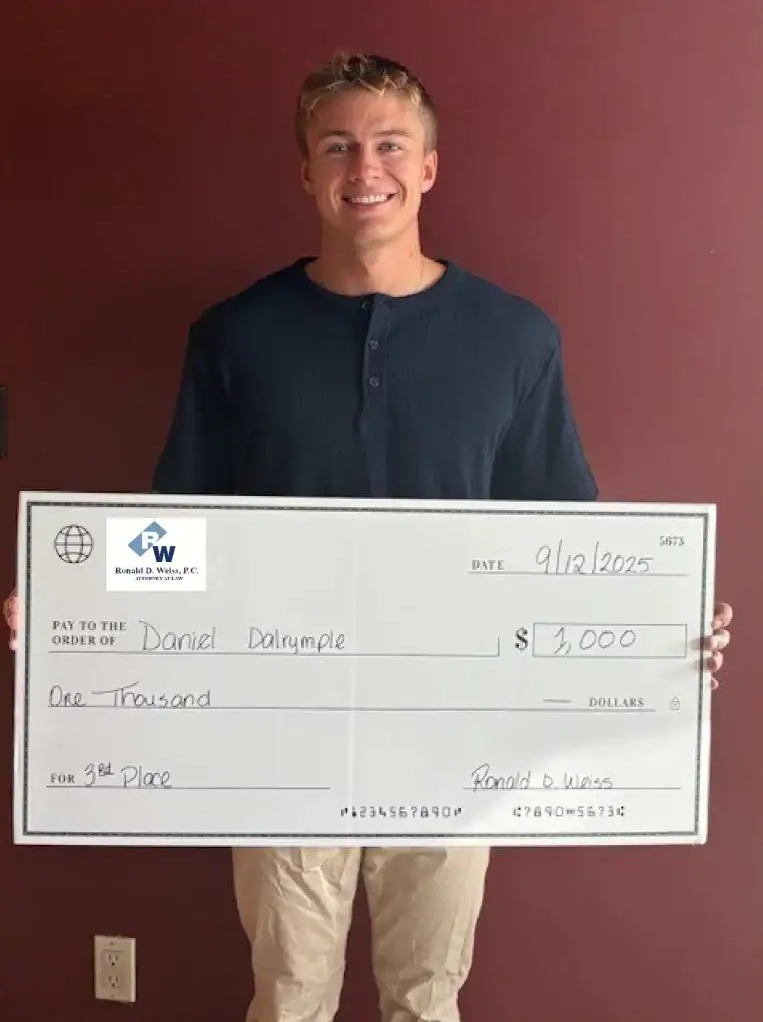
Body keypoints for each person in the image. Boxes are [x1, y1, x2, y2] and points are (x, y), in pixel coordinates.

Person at [4, 52, 733, 1022]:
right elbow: (178, 531)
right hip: (277, 732)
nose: (365, 169)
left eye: (389, 145)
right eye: (337, 146)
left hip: (452, 734)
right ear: (305, 170)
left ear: (428, 167)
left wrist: (660, 639)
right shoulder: (236, 336)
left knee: (426, 998)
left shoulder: (516, 340)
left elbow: (565, 548)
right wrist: (68, 614)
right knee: (288, 994)